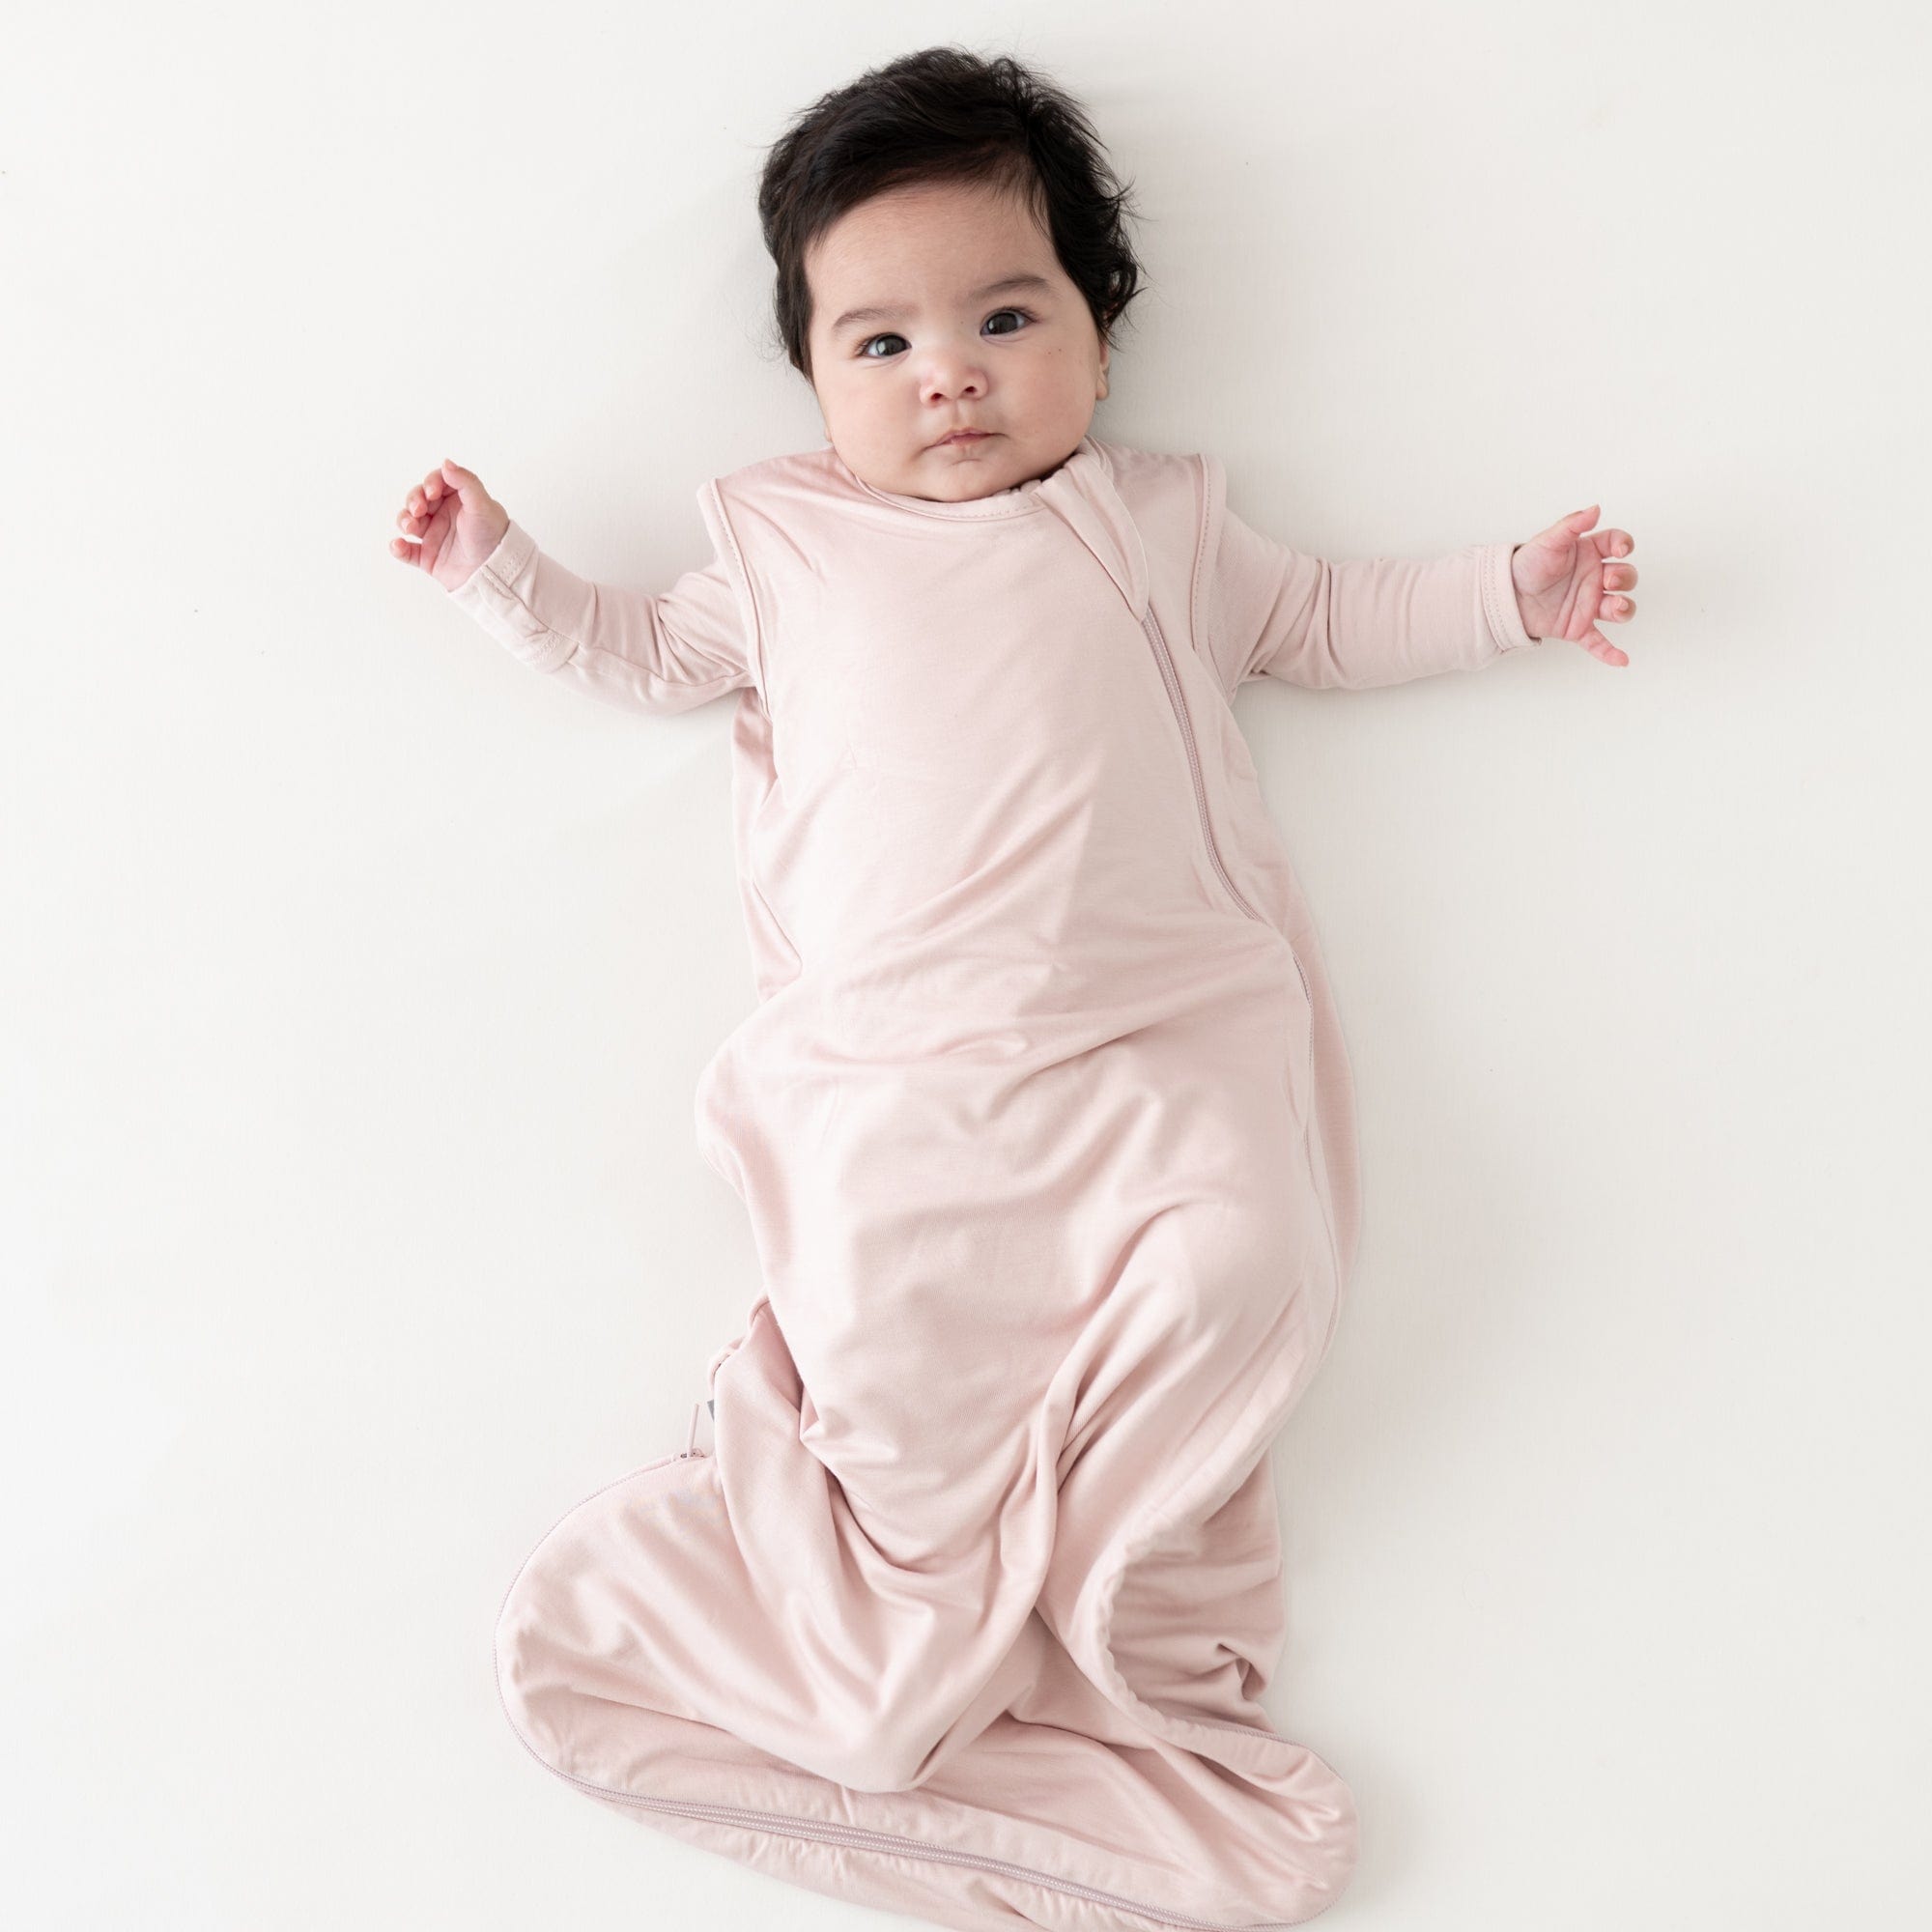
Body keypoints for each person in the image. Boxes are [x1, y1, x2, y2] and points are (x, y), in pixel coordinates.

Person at [388, 44, 1637, 1932]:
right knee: (904, 1378)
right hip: (903, 1090)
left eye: (1002, 314)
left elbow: (1323, 621)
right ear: (811, 379)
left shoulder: (1166, 527)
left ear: (1096, 340)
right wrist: (499, 569)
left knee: (1240, 1264)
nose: (947, 373)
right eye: (876, 344)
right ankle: (881, 1661)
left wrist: (1504, 597)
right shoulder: (781, 544)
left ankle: (1118, 1594)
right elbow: (638, 653)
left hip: (1157, 1054)